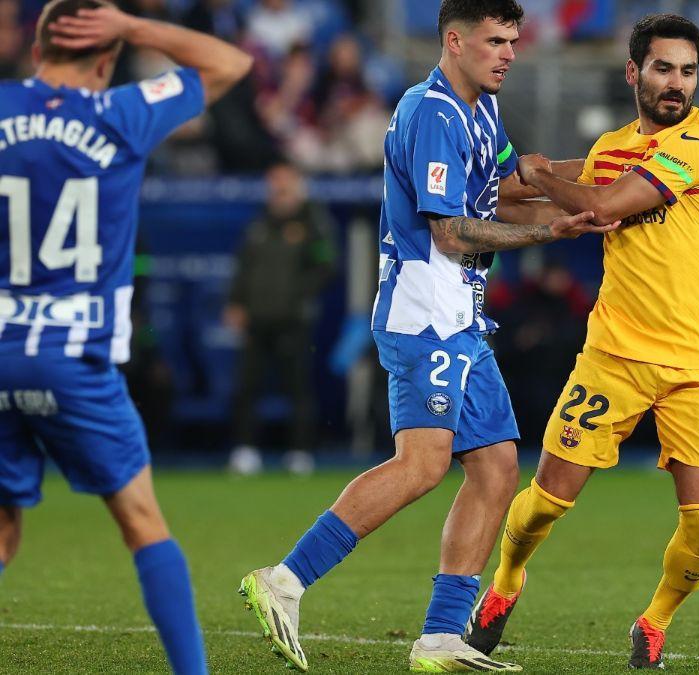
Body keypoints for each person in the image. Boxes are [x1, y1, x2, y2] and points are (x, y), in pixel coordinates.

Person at [236, 1, 615, 672]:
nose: (509, 53)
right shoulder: (430, 112)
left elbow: (502, 188)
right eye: (495, 41)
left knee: (496, 468)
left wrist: (604, 172)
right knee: (423, 464)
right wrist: (547, 232)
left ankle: (441, 636)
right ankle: (283, 580)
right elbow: (450, 228)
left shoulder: (482, 110)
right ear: (455, 40)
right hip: (424, 314)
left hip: (462, 316)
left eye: (513, 41)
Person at [465, 14, 699, 670]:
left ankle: (654, 621)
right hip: (613, 357)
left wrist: (538, 172)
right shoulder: (609, 148)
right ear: (633, 72)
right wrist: (477, 180)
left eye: (688, 70)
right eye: (664, 68)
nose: (677, 83)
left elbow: (607, 203)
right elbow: (531, 201)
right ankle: (504, 583)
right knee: (545, 504)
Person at [0, 1, 252, 673]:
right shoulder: (120, 113)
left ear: (34, 51)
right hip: (72, 357)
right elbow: (232, 63)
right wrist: (136, 27)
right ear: (107, 59)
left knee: (1, 531)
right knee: (141, 519)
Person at [225, 161, 336, 475]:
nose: (278, 191)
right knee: (247, 386)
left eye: (284, 184)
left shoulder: (314, 223)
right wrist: (235, 302)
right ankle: (244, 450)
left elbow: (326, 267)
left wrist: (297, 298)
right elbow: (243, 268)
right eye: (274, 185)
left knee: (297, 388)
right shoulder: (259, 224)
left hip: (293, 320)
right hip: (256, 319)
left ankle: (300, 452)